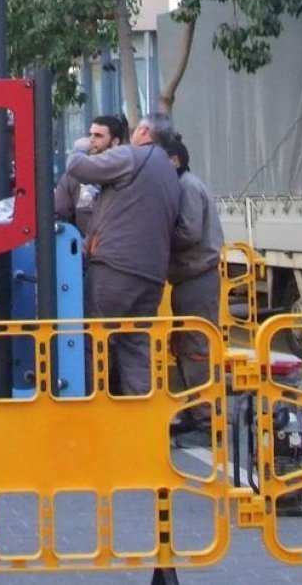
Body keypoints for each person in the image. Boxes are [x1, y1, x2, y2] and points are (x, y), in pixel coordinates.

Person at [66, 112, 181, 396]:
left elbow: (77, 167)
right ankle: (140, 412)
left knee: (94, 339)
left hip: (115, 268)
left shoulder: (131, 156)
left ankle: (92, 408)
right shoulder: (168, 171)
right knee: (136, 345)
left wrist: (81, 147)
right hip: (152, 274)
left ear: (144, 132)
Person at [163, 136, 225, 444]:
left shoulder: (187, 187)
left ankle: (206, 422)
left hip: (196, 276)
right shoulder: (184, 185)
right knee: (186, 345)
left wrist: (158, 238)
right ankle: (194, 410)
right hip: (189, 277)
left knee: (197, 349)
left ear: (174, 161)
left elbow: (188, 232)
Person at [53, 115, 126, 240]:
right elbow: (60, 214)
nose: (91, 140)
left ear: (115, 141)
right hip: (85, 246)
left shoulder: (126, 172)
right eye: (90, 135)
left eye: (98, 136)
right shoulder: (74, 176)